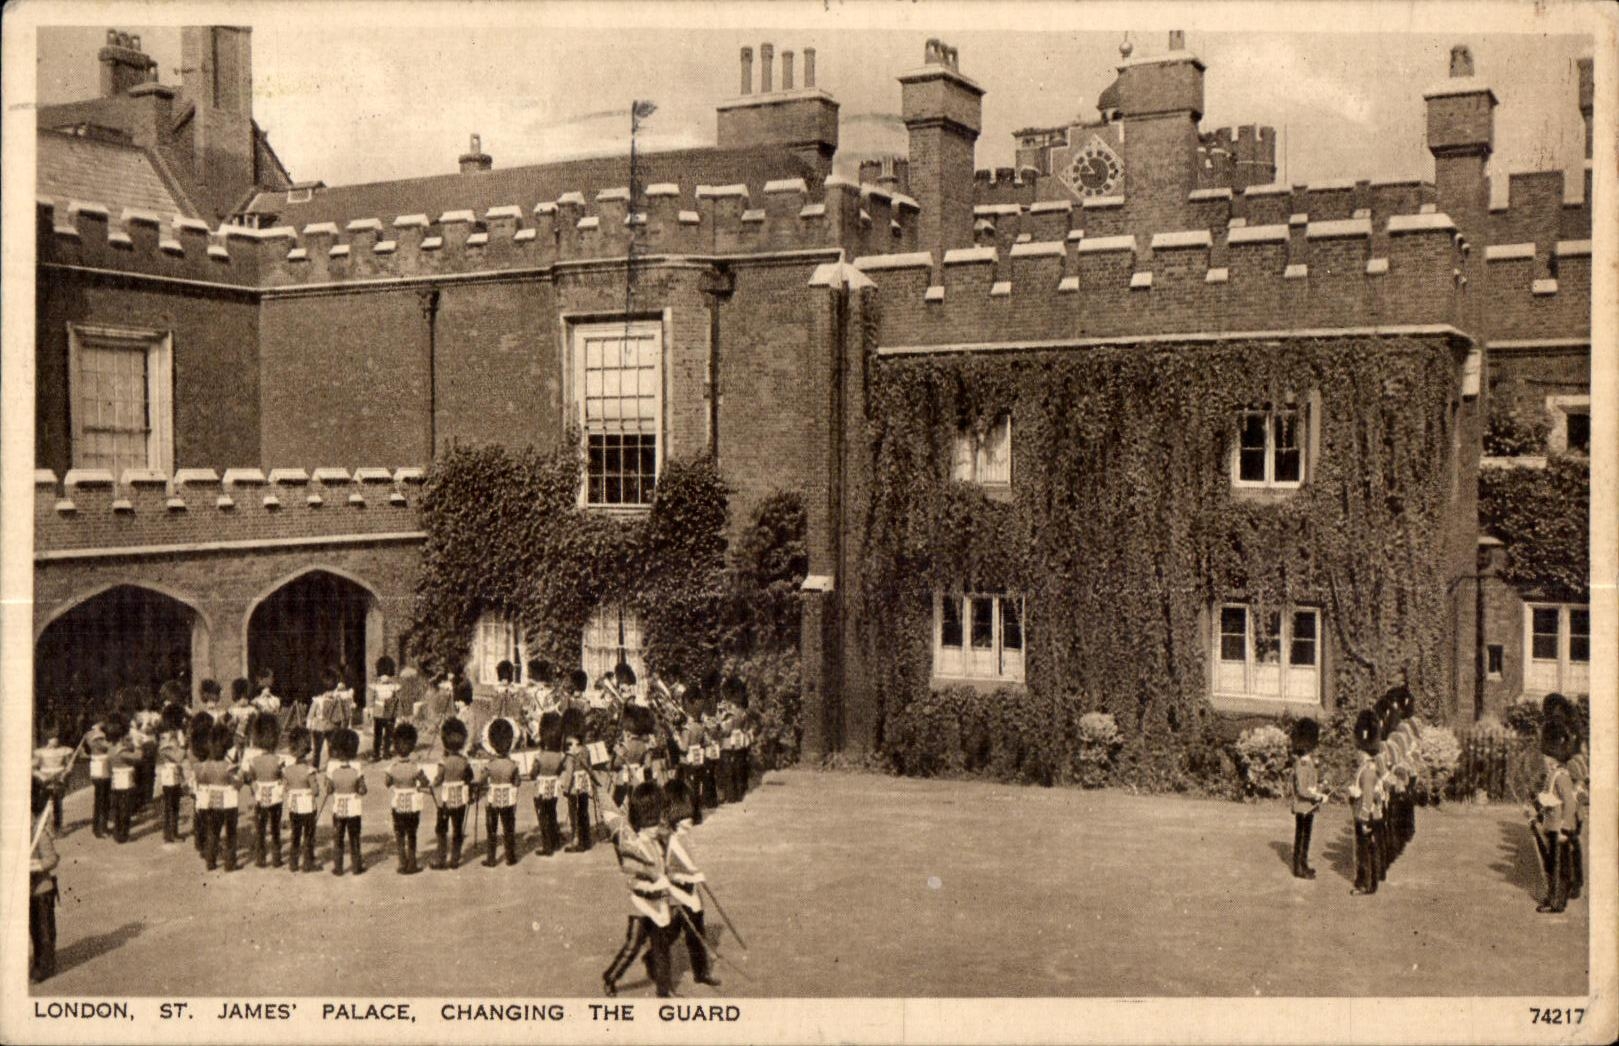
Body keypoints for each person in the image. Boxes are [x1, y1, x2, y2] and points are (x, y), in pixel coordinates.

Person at [596, 780, 675, 998]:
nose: (655, 828)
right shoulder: (634, 846)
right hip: (640, 906)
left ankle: (663, 990)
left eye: (656, 823)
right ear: (640, 822)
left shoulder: (658, 841)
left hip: (659, 905)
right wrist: (657, 885)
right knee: (632, 947)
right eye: (651, 824)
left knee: (662, 949)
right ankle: (610, 977)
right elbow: (633, 882)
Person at [662, 779, 721, 989]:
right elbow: (667, 874)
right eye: (685, 816)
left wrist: (695, 881)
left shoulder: (685, 836)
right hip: (676, 893)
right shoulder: (671, 840)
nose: (690, 819)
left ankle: (701, 972)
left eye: (690, 814)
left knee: (697, 930)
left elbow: (690, 866)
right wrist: (691, 878)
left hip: (690, 890)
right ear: (675, 816)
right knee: (671, 934)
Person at [1530, 695, 1577, 914]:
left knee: (1560, 868)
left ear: (1556, 756)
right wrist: (1536, 811)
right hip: (1550, 825)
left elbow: (1569, 804)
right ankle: (1551, 896)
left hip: (1560, 829)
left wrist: (1567, 829)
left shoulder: (1562, 776)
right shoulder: (1552, 775)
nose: (1545, 762)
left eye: (1548, 758)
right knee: (1550, 866)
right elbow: (1547, 797)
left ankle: (1558, 902)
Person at [241, 714, 287, 868]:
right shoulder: (279, 760)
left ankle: (260, 859)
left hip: (260, 796)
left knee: (260, 829)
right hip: (276, 797)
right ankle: (276, 858)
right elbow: (283, 776)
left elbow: (249, 777)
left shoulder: (253, 761)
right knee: (275, 828)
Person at [196, 722, 242, 872]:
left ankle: (210, 861)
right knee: (231, 834)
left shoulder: (205, 766)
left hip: (212, 801)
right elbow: (238, 784)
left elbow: (201, 780)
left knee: (213, 832)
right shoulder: (229, 767)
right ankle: (230, 863)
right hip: (229, 802)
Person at [431, 718, 475, 870]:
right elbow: (470, 777)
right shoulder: (464, 761)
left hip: (445, 801)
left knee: (441, 829)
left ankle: (441, 858)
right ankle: (455, 859)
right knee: (457, 829)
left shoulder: (443, 761)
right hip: (460, 800)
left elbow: (438, 779)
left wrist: (432, 783)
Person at [386, 723, 427, 874]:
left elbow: (387, 782)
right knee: (412, 834)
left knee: (399, 834)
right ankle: (413, 863)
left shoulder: (392, 767)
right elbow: (424, 782)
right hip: (412, 804)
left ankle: (402, 862)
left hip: (397, 803)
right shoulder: (415, 767)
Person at [324, 728, 367, 876]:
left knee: (338, 838)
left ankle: (338, 867)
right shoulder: (357, 767)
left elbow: (328, 790)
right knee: (355, 838)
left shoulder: (331, 768)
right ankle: (356, 866)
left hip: (338, 808)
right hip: (354, 808)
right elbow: (362, 789)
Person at [30, 780, 60, 983]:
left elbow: (52, 859)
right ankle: (39, 961)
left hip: (41, 888)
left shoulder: (38, 832)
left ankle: (45, 966)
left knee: (45, 930)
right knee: (33, 929)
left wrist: (33, 866)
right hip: (27, 891)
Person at [482, 718, 523, 867]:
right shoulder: (513, 765)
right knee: (509, 829)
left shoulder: (490, 765)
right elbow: (517, 782)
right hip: (508, 801)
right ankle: (510, 857)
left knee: (491, 830)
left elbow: (481, 781)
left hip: (492, 801)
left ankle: (491, 858)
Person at [1349, 709, 1380, 897]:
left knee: (1364, 851)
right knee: (1365, 850)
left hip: (1365, 815)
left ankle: (1365, 884)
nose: (1357, 753)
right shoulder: (1366, 768)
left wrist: (1364, 816)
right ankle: (1367, 882)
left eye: (1359, 750)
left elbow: (1368, 796)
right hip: (1364, 812)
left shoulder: (1367, 770)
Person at [1289, 717, 1326, 879]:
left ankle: (1303, 864)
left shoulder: (1307, 762)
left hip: (1308, 807)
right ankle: (1298, 867)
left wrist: (1321, 788)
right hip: (1303, 806)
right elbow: (1303, 790)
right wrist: (1317, 796)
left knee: (1305, 836)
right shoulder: (1302, 764)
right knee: (1302, 836)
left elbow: (1311, 784)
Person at [283, 727, 323, 873]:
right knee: (308, 836)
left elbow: (286, 787)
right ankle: (308, 863)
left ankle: (293, 863)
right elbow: (316, 791)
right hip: (307, 807)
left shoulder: (287, 770)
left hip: (293, 807)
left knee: (295, 835)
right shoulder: (309, 770)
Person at [560, 707, 596, 853]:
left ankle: (577, 840)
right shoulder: (585, 749)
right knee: (584, 811)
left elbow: (569, 772)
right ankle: (586, 840)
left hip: (574, 785)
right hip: (585, 783)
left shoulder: (570, 752)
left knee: (574, 813)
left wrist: (565, 788)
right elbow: (590, 767)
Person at [530, 712, 567, 857]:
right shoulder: (560, 756)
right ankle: (555, 839)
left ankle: (547, 846)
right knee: (552, 814)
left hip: (540, 789)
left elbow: (533, 773)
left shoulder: (540, 756)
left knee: (543, 817)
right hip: (553, 788)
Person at [32, 717, 75, 834]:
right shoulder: (40, 752)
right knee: (44, 804)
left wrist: (66, 772)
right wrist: (42, 776)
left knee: (58, 804)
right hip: (45, 780)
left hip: (59, 779)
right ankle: (43, 827)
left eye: (57, 738)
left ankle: (57, 827)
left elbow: (69, 765)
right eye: (52, 738)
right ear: (47, 739)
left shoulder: (64, 750)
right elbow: (33, 768)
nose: (55, 740)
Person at [155, 703, 190, 844]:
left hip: (175, 770)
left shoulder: (174, 733)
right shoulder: (166, 735)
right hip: (168, 771)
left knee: (175, 803)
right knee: (169, 804)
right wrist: (183, 751)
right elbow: (167, 752)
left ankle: (174, 831)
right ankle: (168, 833)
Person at [107, 714, 141, 844]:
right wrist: (137, 745)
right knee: (125, 808)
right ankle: (123, 835)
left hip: (116, 780)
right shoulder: (121, 751)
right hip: (125, 780)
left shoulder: (111, 749)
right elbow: (138, 757)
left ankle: (118, 832)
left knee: (117, 807)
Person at [86, 711, 114, 838]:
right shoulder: (94, 734)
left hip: (104, 766)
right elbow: (104, 746)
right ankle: (99, 829)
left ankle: (103, 827)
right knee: (101, 798)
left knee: (105, 798)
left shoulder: (100, 734)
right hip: (99, 766)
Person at [370, 656, 401, 764]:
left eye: (386, 675)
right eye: (382, 675)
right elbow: (371, 699)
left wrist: (397, 713)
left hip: (390, 713)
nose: (384, 678)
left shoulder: (394, 686)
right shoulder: (375, 686)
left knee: (388, 734)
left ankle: (386, 752)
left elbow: (397, 700)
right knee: (377, 734)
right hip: (378, 713)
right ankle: (376, 753)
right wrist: (370, 710)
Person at [307, 667, 339, 768]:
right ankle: (315, 766)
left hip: (331, 726)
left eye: (332, 690)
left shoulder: (335, 700)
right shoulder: (318, 700)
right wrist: (309, 723)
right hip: (318, 727)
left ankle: (332, 765)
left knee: (332, 747)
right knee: (317, 749)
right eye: (329, 691)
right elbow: (311, 713)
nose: (331, 693)